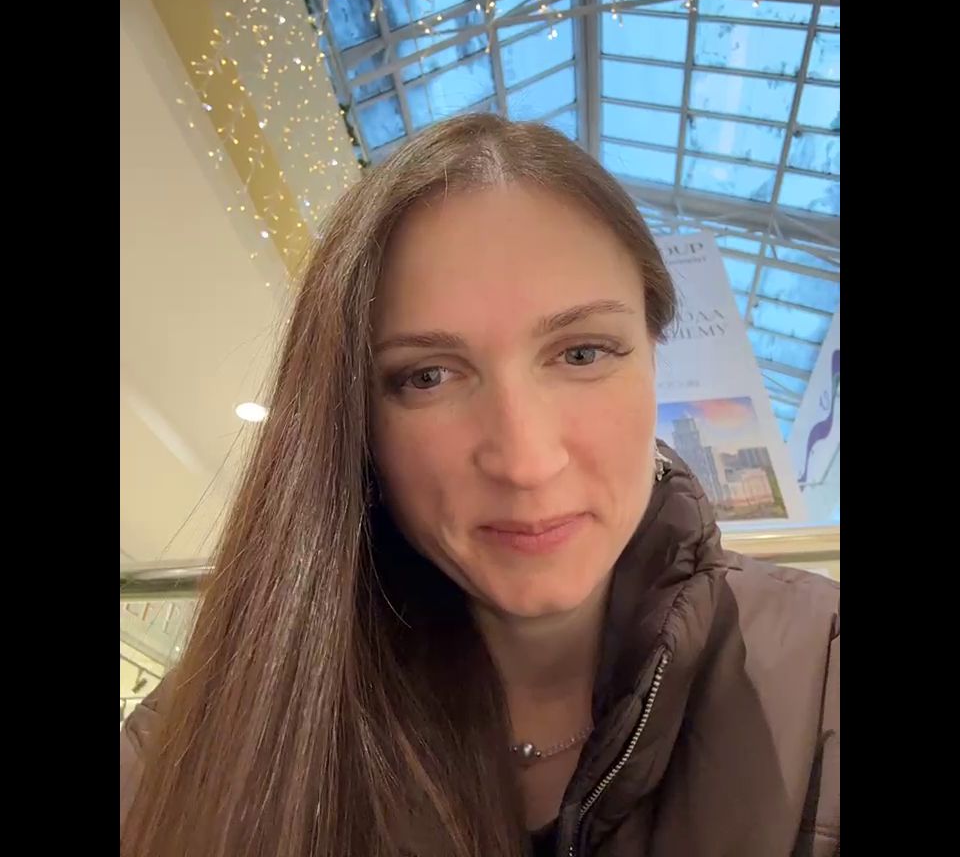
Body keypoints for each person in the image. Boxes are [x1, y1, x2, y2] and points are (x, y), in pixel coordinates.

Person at [120, 113, 839, 857]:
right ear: (357, 417)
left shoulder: (821, 673)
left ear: (653, 359)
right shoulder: (208, 730)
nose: (525, 462)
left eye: (582, 353)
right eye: (429, 376)